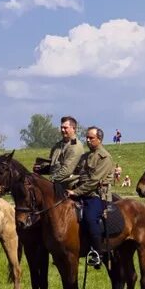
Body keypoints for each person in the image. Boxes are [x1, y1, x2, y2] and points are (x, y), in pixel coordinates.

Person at [70, 126, 115, 268]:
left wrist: (75, 192)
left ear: (99, 139)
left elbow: (94, 181)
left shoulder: (105, 157)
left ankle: (97, 253)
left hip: (97, 195)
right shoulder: (85, 157)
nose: (88, 140)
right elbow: (75, 173)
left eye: (91, 138)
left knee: (90, 218)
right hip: (82, 192)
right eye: (87, 138)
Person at [35, 115, 85, 194]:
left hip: (69, 186)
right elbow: (54, 165)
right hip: (57, 184)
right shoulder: (57, 145)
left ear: (74, 129)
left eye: (65, 128)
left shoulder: (75, 146)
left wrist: (50, 181)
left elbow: (67, 170)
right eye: (61, 127)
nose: (62, 130)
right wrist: (41, 168)